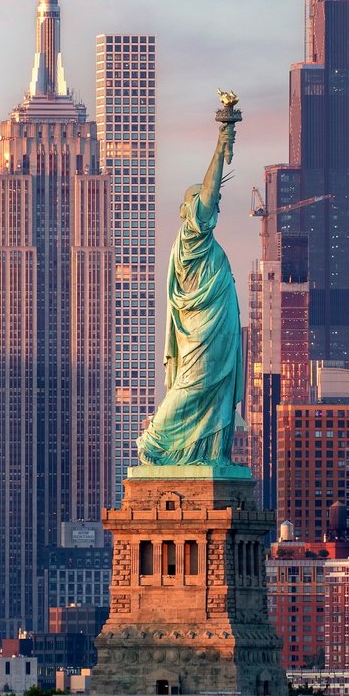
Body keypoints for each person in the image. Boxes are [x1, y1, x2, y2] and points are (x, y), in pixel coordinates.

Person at [136, 109, 242, 467]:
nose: (212, 207)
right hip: (201, 337)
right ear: (190, 209)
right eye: (202, 203)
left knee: (213, 395)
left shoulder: (206, 246)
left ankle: (207, 453)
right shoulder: (190, 240)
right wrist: (222, 140)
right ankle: (156, 442)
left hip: (217, 334)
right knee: (192, 388)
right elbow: (210, 192)